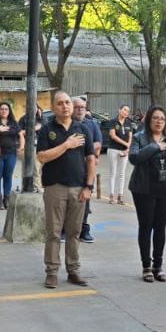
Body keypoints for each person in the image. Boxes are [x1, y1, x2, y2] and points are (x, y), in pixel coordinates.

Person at [37, 91, 95, 288]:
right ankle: (52, 272)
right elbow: (42, 157)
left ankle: (73, 271)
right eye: (60, 103)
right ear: (54, 107)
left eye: (67, 102)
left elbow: (91, 159)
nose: (65, 106)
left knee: (74, 232)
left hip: (78, 188)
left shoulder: (83, 128)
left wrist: (89, 186)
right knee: (53, 232)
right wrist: (67, 144)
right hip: (55, 187)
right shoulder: (47, 129)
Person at [128, 106, 166, 282]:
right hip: (144, 189)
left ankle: (158, 266)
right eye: (155, 118)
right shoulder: (139, 137)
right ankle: (146, 266)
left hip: (165, 189)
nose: (159, 121)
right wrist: (154, 147)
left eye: (162, 118)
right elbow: (133, 158)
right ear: (149, 120)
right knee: (146, 226)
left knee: (160, 227)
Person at [73, 96, 102, 243]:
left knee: (85, 199)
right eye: (77, 107)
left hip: (86, 168)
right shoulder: (67, 124)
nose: (80, 110)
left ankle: (84, 229)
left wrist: (84, 147)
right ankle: (66, 229)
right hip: (70, 167)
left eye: (82, 107)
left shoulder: (92, 124)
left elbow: (98, 143)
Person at [0, 101, 22, 209]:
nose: (4, 111)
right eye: (1, 109)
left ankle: (6, 200)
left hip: (11, 153)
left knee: (8, 176)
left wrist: (21, 147)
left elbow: (20, 135)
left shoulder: (13, 123)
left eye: (6, 109)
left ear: (9, 111)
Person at [107, 105, 135, 205]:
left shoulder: (129, 123)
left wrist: (128, 148)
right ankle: (111, 195)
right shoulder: (113, 122)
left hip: (124, 151)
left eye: (128, 111)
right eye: (124, 110)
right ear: (119, 110)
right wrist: (125, 144)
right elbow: (113, 136)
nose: (126, 112)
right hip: (113, 149)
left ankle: (120, 195)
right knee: (113, 173)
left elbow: (130, 137)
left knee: (122, 173)